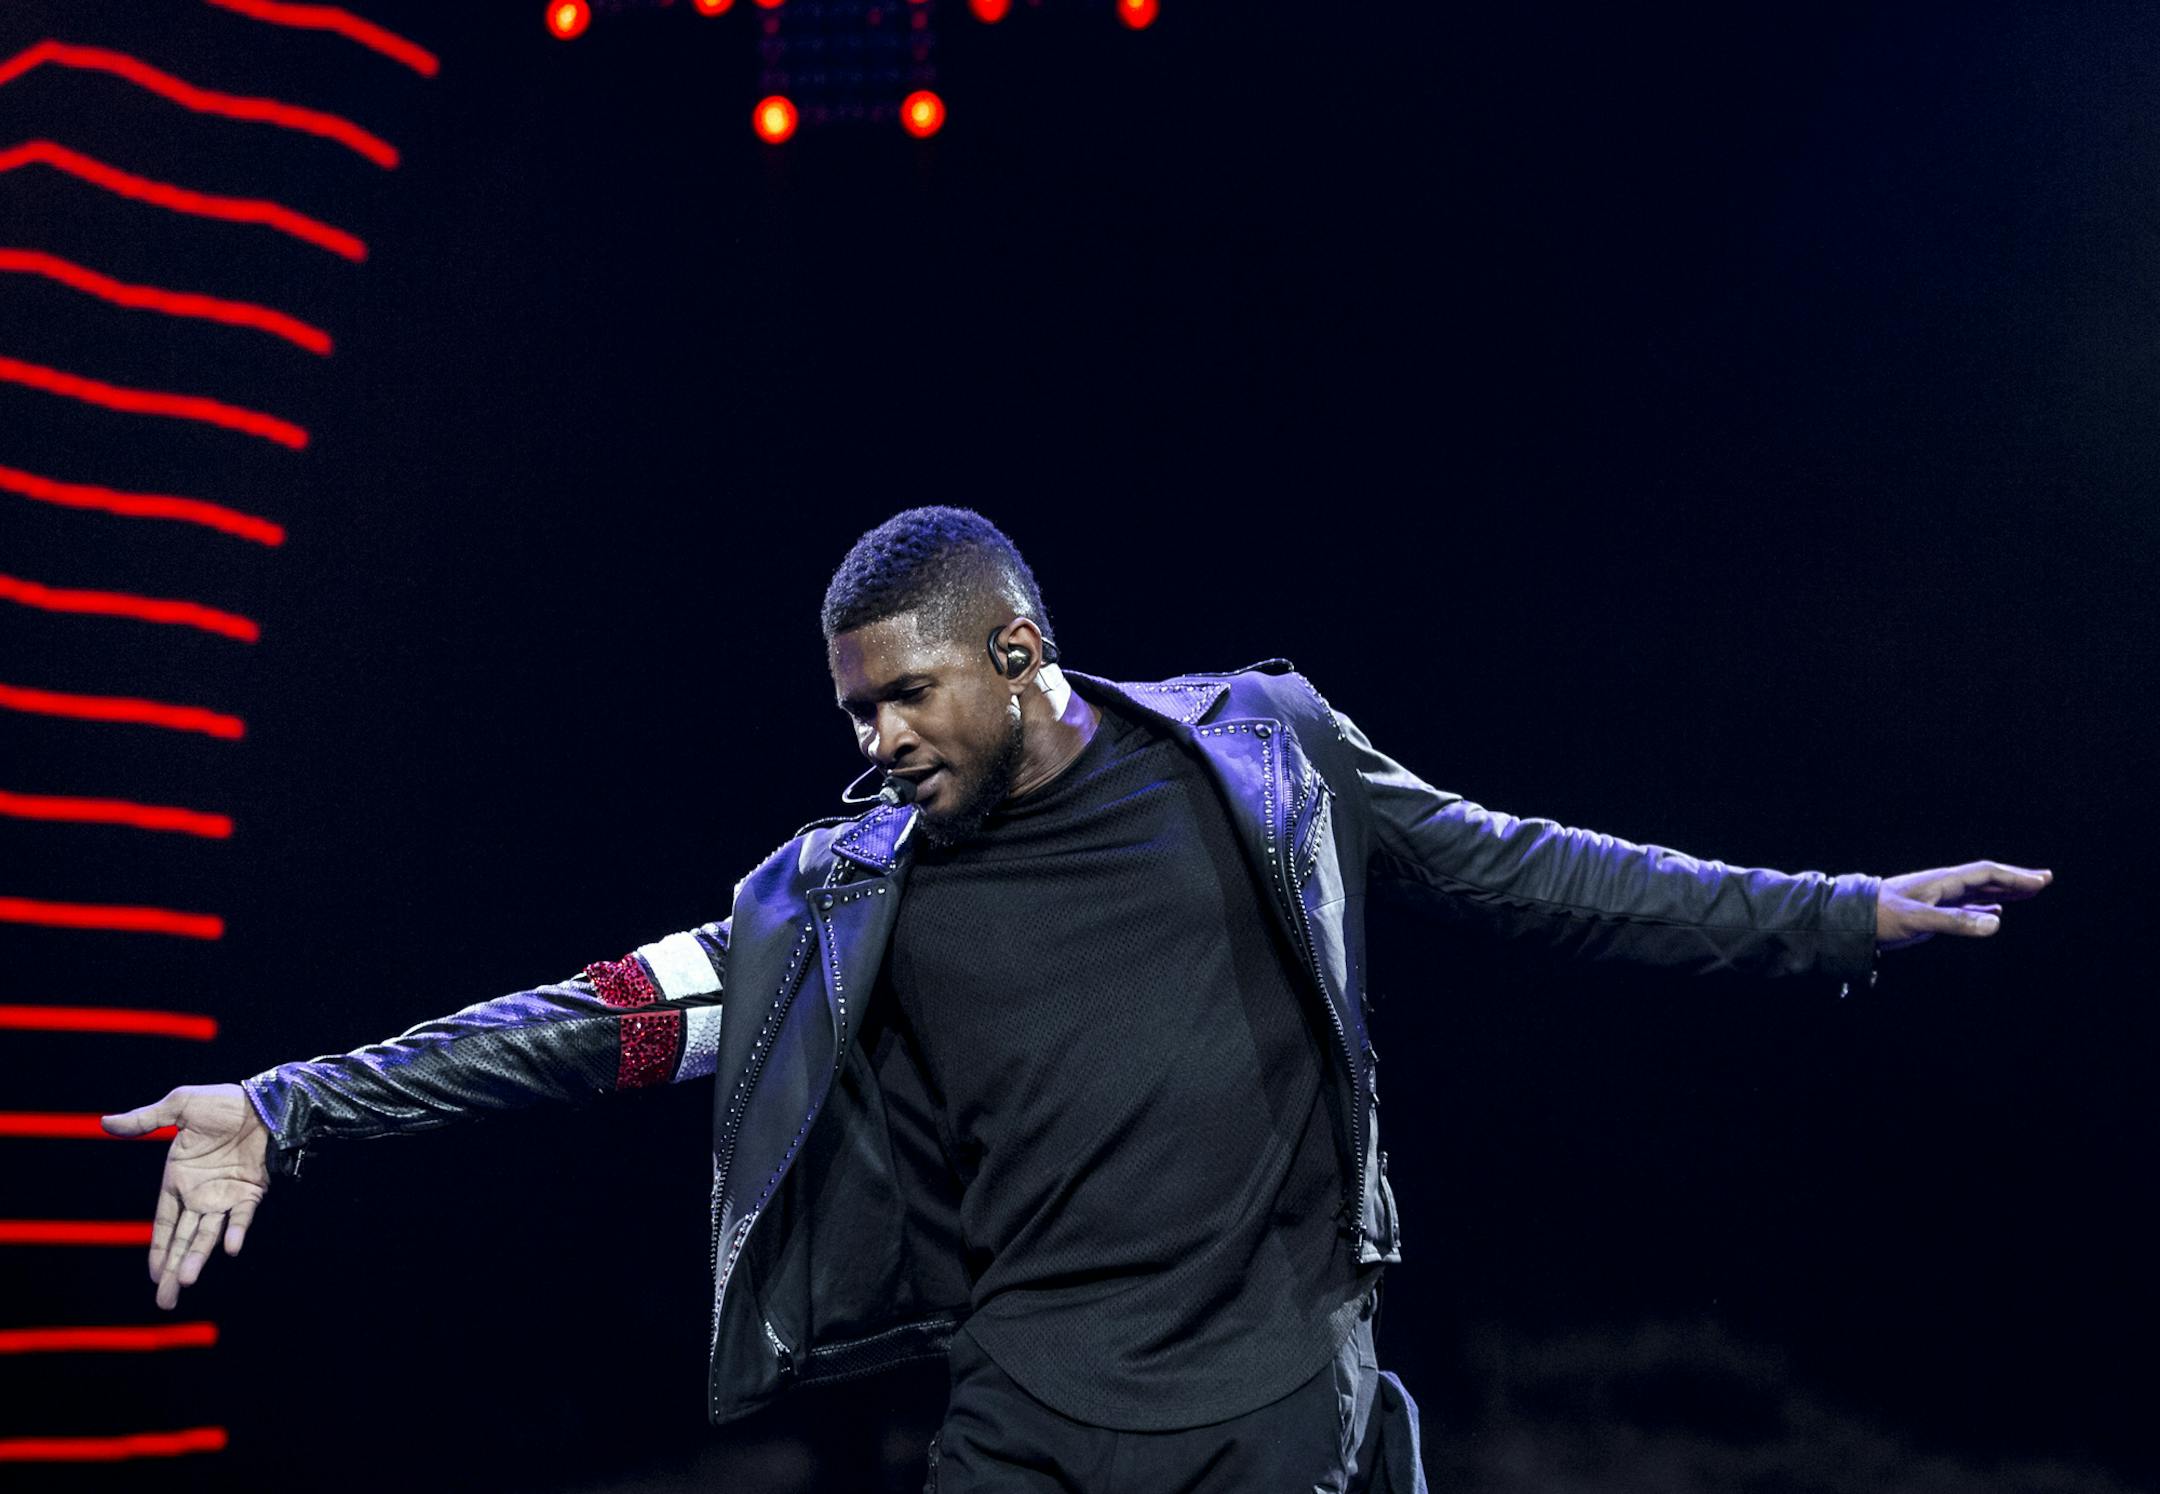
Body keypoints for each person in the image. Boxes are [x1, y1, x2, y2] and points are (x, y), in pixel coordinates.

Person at [104, 507, 2053, 1493]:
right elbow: (607, 1012)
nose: (868, 738)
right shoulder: (856, 888)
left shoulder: (1263, 759)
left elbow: (1532, 862)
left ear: (1018, 653)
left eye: (899, 698)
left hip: (1282, 1412)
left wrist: (1839, 913)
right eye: (848, 706)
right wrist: (293, 1104)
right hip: (1034, 1429)